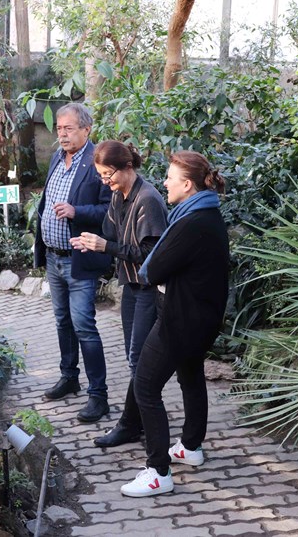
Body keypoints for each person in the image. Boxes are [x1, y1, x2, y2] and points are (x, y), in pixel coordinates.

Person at [119, 150, 229, 498]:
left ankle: (157, 472)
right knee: (191, 375)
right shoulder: (206, 214)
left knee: (146, 387)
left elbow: (153, 270)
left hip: (180, 321)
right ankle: (191, 448)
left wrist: (153, 267)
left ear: (186, 184)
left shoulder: (191, 222)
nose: (164, 182)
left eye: (169, 177)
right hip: (201, 319)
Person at [69, 141, 167, 447]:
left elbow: (151, 254)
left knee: (140, 361)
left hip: (149, 289)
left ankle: (136, 425)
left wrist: (105, 246)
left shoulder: (148, 199)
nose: (105, 180)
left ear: (127, 167)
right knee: (134, 359)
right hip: (130, 286)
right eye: (100, 175)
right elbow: (111, 235)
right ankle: (134, 423)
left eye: (108, 174)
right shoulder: (118, 196)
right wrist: (91, 241)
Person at [34, 103, 112, 423]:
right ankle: (69, 377)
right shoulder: (56, 157)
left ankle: (99, 395)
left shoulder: (98, 163)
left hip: (79, 260)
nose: (62, 134)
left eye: (69, 129)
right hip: (54, 257)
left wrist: (77, 211)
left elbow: (110, 211)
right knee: (62, 322)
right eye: (60, 129)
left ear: (86, 130)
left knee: (84, 326)